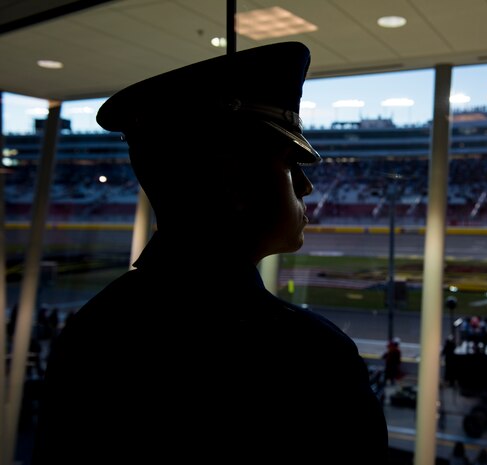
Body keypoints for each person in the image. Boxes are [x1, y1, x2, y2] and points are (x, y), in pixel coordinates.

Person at [31, 42, 388, 465]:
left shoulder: (94, 327)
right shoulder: (307, 356)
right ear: (235, 182)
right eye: (291, 165)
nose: (306, 186)